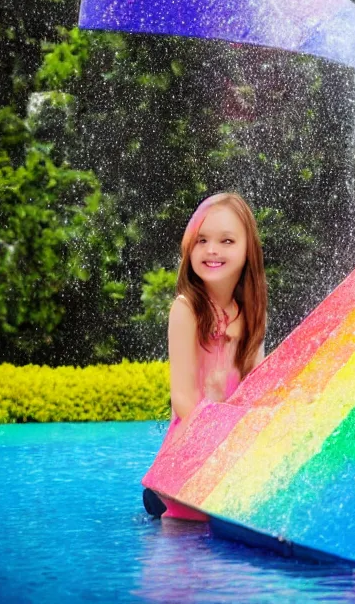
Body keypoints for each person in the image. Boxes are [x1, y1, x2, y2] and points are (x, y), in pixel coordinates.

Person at [143, 192, 267, 519]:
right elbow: (184, 399)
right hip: (192, 448)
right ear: (189, 248)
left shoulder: (252, 313)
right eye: (202, 240)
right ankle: (161, 494)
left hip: (231, 447)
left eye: (226, 241)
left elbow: (258, 386)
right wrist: (224, 435)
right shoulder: (187, 309)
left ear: (247, 251)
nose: (212, 250)